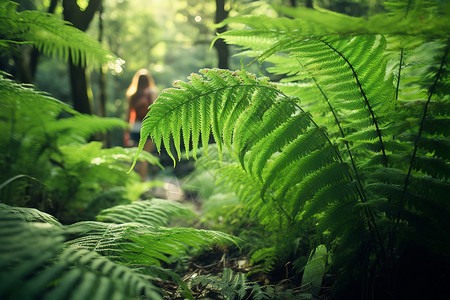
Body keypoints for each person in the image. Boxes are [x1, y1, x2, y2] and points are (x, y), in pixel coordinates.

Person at [124, 69, 157, 181]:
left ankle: (134, 182)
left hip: (135, 128)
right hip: (148, 128)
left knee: (137, 158)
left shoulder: (132, 94)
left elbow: (129, 115)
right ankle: (142, 184)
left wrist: (126, 132)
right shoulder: (152, 92)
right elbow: (155, 111)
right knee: (145, 158)